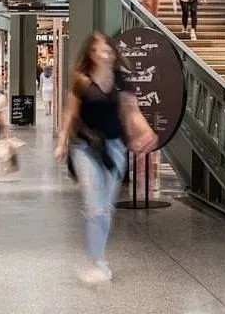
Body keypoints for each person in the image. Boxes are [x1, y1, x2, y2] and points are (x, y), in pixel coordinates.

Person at [54, 32, 158, 285]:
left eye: (110, 50)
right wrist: (61, 142)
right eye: (102, 50)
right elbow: (70, 114)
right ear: (92, 54)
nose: (107, 54)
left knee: (105, 208)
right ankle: (98, 262)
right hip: (85, 147)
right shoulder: (82, 81)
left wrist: (147, 131)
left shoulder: (121, 80)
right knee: (95, 204)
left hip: (115, 148)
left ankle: (99, 260)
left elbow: (132, 112)